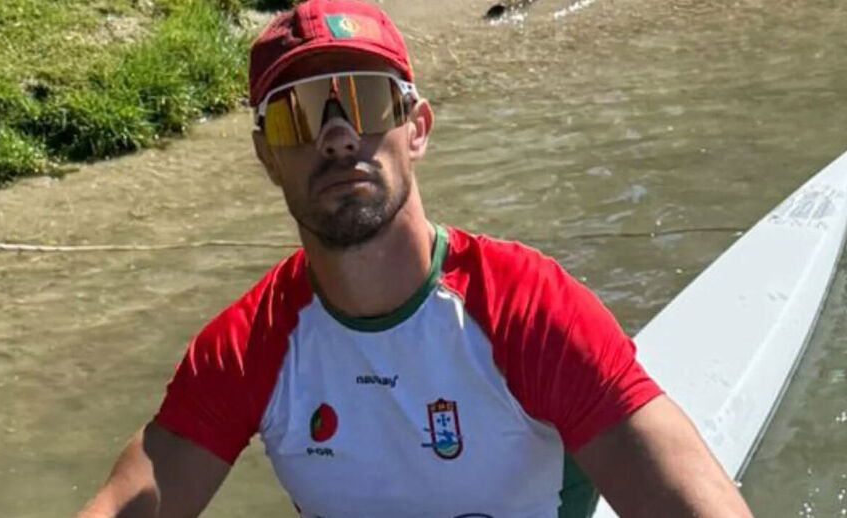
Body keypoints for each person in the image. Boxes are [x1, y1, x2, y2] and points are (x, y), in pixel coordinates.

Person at [76, 1, 756, 517]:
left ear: (417, 129)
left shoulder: (528, 310)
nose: (339, 138)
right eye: (299, 116)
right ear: (266, 156)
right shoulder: (248, 348)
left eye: (367, 102)